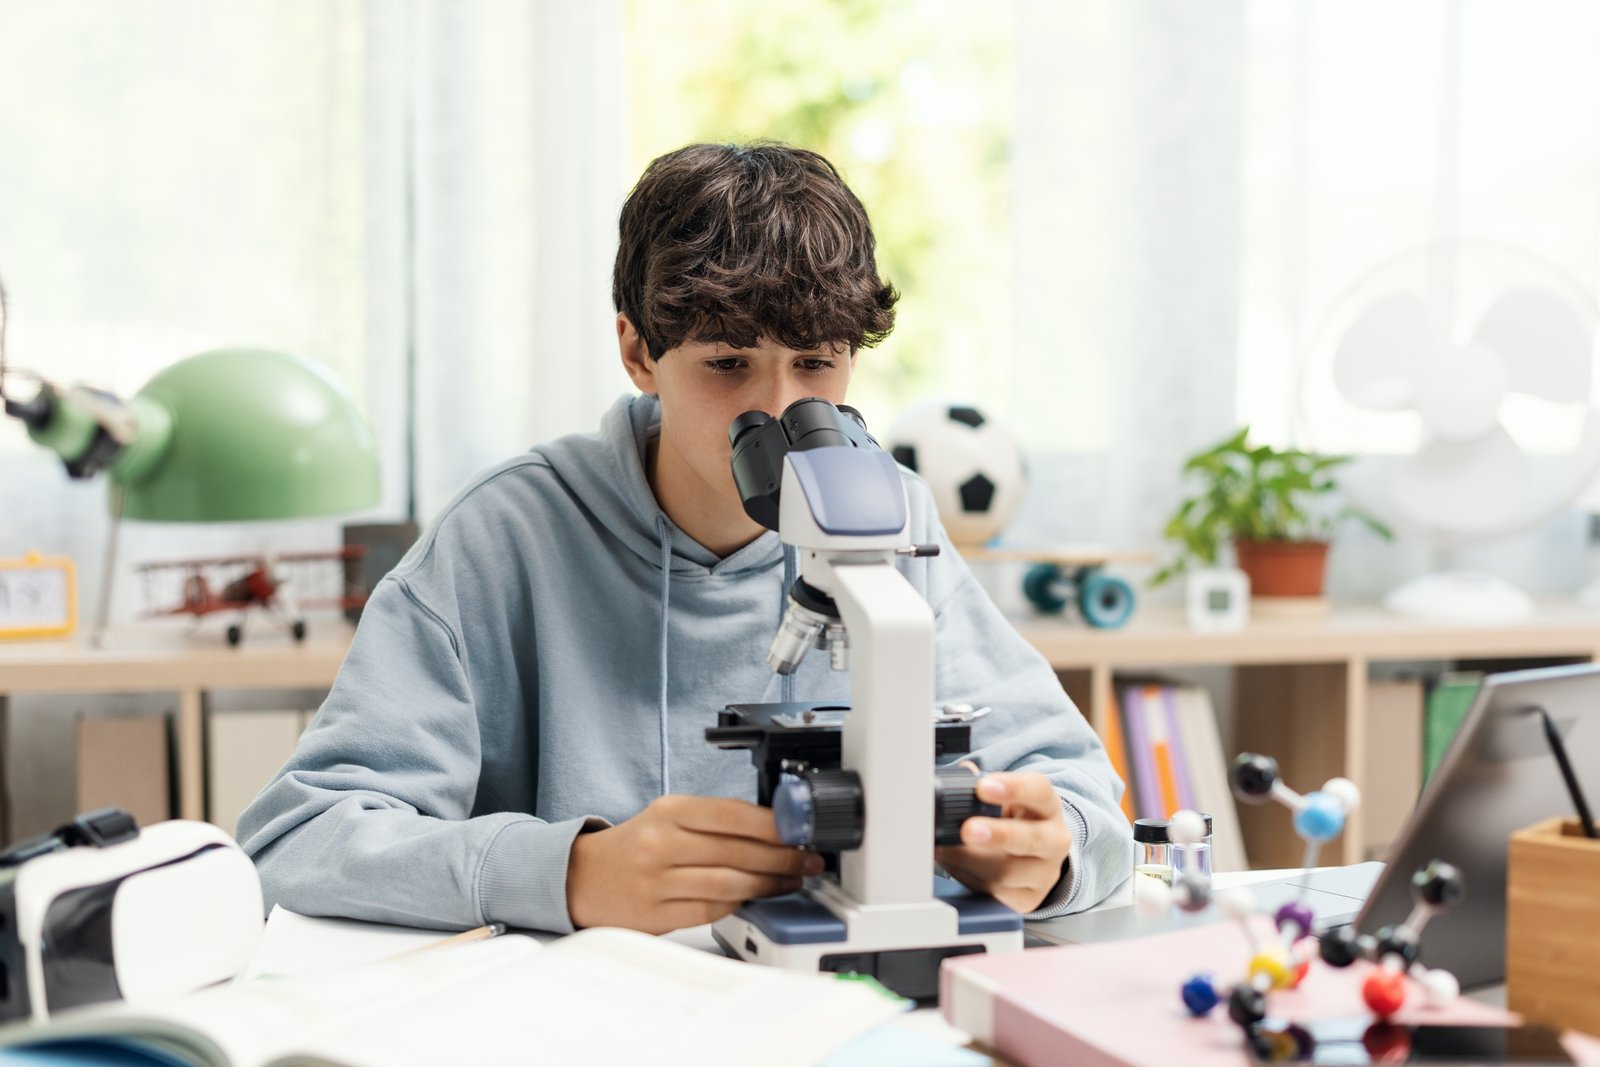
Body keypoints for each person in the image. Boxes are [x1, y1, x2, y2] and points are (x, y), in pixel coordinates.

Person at [239, 142, 1130, 935]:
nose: (778, 412)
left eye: (816, 362)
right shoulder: (503, 536)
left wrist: (1048, 855)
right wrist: (570, 873)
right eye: (728, 363)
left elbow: (1086, 799)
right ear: (638, 352)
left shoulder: (889, 514)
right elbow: (298, 837)